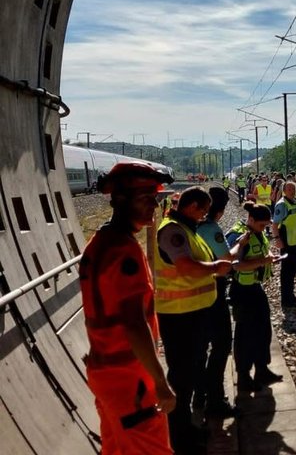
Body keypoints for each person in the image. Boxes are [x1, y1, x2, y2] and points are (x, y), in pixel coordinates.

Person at [80, 162, 176, 455]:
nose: (154, 205)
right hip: (129, 379)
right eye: (145, 198)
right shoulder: (124, 251)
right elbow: (134, 323)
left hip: (106, 373)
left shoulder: (98, 243)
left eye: (156, 198)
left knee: (117, 449)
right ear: (120, 199)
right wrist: (160, 381)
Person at [155, 186, 232, 453]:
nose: (204, 216)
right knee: (181, 380)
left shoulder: (186, 228)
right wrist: (216, 268)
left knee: (188, 377)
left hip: (191, 314)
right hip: (179, 316)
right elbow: (185, 266)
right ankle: (180, 439)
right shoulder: (173, 231)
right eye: (202, 211)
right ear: (191, 207)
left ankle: (186, 428)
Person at [226, 201, 283, 393]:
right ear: (250, 219)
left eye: (266, 225)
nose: (264, 228)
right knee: (245, 335)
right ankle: (243, 376)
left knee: (263, 329)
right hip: (242, 291)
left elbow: (261, 248)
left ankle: (261, 369)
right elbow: (236, 265)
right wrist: (262, 261)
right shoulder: (239, 235)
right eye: (261, 225)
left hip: (255, 288)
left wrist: (269, 257)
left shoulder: (256, 231)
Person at [195, 187, 237, 417]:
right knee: (221, 346)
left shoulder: (194, 226)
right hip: (214, 291)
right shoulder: (211, 229)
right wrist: (238, 244)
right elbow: (227, 260)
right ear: (220, 211)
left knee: (200, 348)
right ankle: (216, 400)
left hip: (197, 294)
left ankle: (199, 396)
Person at [271, 181, 296, 308]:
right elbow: (274, 225)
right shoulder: (282, 205)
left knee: (293, 270)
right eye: (289, 189)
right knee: (286, 272)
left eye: (293, 188)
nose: (291, 190)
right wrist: (277, 239)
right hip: (287, 241)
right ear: (284, 190)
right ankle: (286, 299)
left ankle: (291, 295)